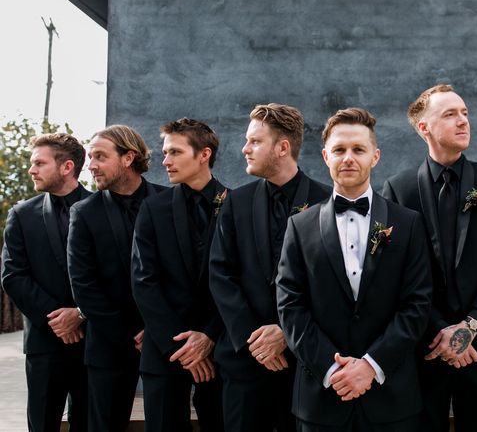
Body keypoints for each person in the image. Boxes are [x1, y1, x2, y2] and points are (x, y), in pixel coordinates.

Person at [277, 107, 433, 432]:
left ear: (375, 157)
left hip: (392, 398)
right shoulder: (299, 226)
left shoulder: (408, 223)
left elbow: (417, 305)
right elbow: (291, 307)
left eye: (358, 149)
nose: (348, 158)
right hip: (321, 398)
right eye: (339, 150)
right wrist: (332, 370)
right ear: (325, 156)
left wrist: (371, 365)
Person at [382, 84, 477, 432]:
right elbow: (396, 275)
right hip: (425, 348)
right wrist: (441, 331)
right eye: (450, 114)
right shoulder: (398, 190)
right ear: (423, 128)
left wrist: (469, 326)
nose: (463, 121)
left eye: (465, 113)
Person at [209, 104, 330, 432]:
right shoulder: (236, 202)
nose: (244, 149)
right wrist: (255, 339)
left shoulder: (326, 203)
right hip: (245, 363)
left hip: (304, 366)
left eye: (254, 141)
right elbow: (221, 273)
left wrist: (287, 335)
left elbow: (331, 285)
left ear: (283, 147)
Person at [67, 125, 167, 431]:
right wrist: (130, 334)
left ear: (128, 157)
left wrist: (156, 329)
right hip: (108, 348)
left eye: (100, 156)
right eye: (90, 156)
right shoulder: (83, 212)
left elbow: (183, 277)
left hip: (164, 341)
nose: (91, 165)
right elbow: (84, 285)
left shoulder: (170, 202)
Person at [131, 118, 226, 431]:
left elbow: (241, 279)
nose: (165, 161)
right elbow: (144, 281)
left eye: (174, 152)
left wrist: (209, 337)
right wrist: (181, 349)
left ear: (204, 155)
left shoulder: (237, 205)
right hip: (166, 351)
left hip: (221, 351)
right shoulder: (152, 208)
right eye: (164, 152)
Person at [1, 133, 90, 432]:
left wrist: (80, 314)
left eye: (39, 163)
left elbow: (119, 273)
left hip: (97, 340)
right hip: (44, 342)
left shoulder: (103, 207)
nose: (31, 169)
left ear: (67, 167)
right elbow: (13, 275)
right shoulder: (22, 214)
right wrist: (58, 319)